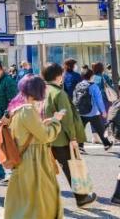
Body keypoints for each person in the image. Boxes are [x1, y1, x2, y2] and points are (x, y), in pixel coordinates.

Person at [3, 75, 65, 219]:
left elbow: (29, 133)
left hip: (24, 159)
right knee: (42, 201)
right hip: (35, 161)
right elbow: (44, 136)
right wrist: (56, 122)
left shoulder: (18, 110)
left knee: (25, 201)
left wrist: (45, 123)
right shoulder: (28, 110)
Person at [43, 62, 97, 208]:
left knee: (46, 170)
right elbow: (66, 118)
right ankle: (81, 198)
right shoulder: (59, 93)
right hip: (61, 138)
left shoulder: (43, 90)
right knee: (70, 167)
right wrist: (73, 138)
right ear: (58, 76)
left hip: (46, 137)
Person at [74, 68, 113, 150]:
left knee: (81, 129)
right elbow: (99, 100)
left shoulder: (78, 85)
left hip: (80, 112)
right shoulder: (94, 86)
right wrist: (103, 111)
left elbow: (75, 98)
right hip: (93, 112)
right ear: (92, 76)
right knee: (100, 129)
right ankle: (107, 144)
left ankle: (80, 146)